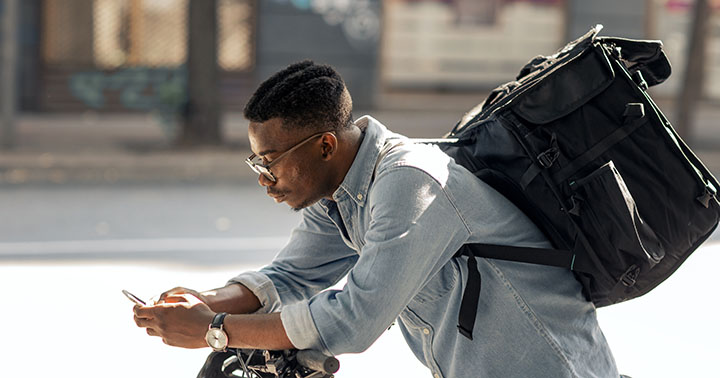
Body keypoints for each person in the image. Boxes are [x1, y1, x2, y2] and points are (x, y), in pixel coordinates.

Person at [133, 60, 619, 377]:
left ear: (325, 145)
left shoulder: (410, 181)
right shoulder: (339, 191)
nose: (265, 178)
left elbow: (354, 319)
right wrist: (205, 301)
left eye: (270, 161)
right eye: (256, 163)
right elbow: (290, 275)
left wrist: (215, 329)